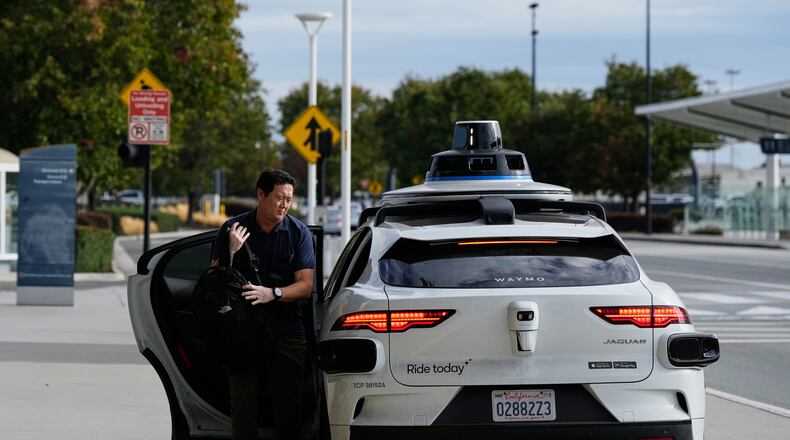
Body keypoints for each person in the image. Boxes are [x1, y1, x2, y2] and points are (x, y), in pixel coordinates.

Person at [210, 169, 315, 440]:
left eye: (289, 199)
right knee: (243, 405)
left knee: (289, 407)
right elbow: (213, 281)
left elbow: (305, 286)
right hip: (242, 331)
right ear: (261, 194)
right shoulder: (233, 229)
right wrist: (230, 251)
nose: (284, 204)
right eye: (279, 197)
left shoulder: (298, 233)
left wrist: (273, 293)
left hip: (286, 329)